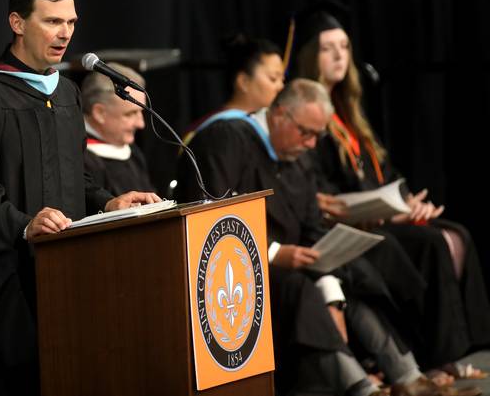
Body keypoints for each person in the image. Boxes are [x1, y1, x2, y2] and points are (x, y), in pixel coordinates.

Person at [175, 81, 479, 396]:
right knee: (300, 288)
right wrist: (273, 252)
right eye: (306, 132)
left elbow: (310, 226)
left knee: (356, 272)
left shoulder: (297, 156)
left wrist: (332, 290)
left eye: (317, 136)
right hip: (241, 269)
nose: (310, 144)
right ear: (280, 114)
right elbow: (209, 219)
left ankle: (409, 377)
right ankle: (361, 389)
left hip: (298, 262)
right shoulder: (226, 138)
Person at [0, 0, 161, 396]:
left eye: (71, 23)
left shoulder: (65, 94)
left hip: (66, 273)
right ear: (18, 23)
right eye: (52, 22)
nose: (65, 34)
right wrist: (24, 225)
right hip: (7, 281)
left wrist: (107, 202)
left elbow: (73, 177)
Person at [293, 0, 490, 377]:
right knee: (432, 245)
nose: (339, 55)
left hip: (381, 214)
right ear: (308, 56)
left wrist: (407, 202)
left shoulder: (349, 109)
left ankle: (460, 349)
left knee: (457, 234)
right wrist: (389, 210)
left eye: (345, 47)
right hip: (353, 223)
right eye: (327, 47)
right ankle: (436, 358)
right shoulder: (311, 114)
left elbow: (382, 173)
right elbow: (324, 190)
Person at [182, 35, 285, 149]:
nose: (280, 86)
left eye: (282, 79)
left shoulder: (272, 128)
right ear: (243, 81)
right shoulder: (211, 131)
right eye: (273, 78)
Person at [81, 62, 154, 195]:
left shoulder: (133, 152)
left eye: (140, 112)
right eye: (130, 114)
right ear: (99, 113)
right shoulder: (80, 160)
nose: (141, 124)